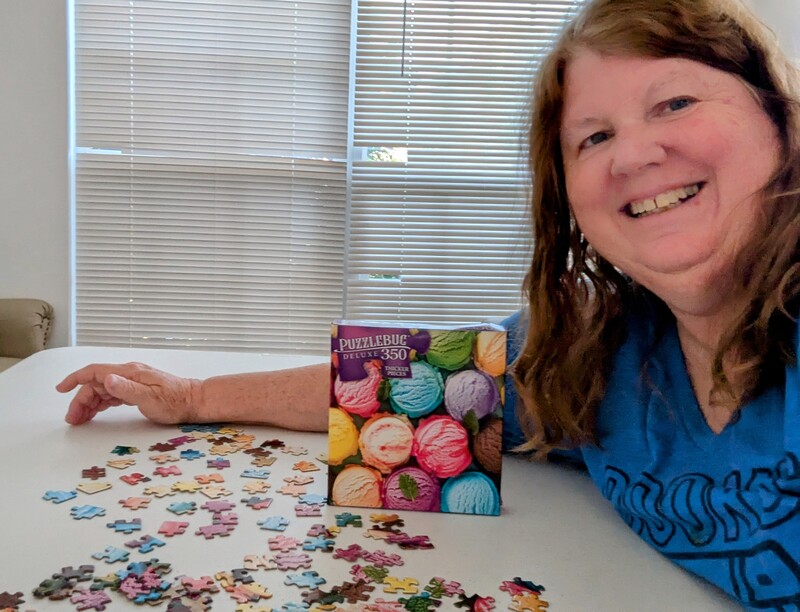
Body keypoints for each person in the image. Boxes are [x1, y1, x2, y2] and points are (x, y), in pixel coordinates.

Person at [57, 0, 799, 607]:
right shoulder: (594, 343)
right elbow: (387, 385)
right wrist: (190, 397)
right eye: (593, 136)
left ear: (779, 116)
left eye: (673, 102)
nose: (633, 155)